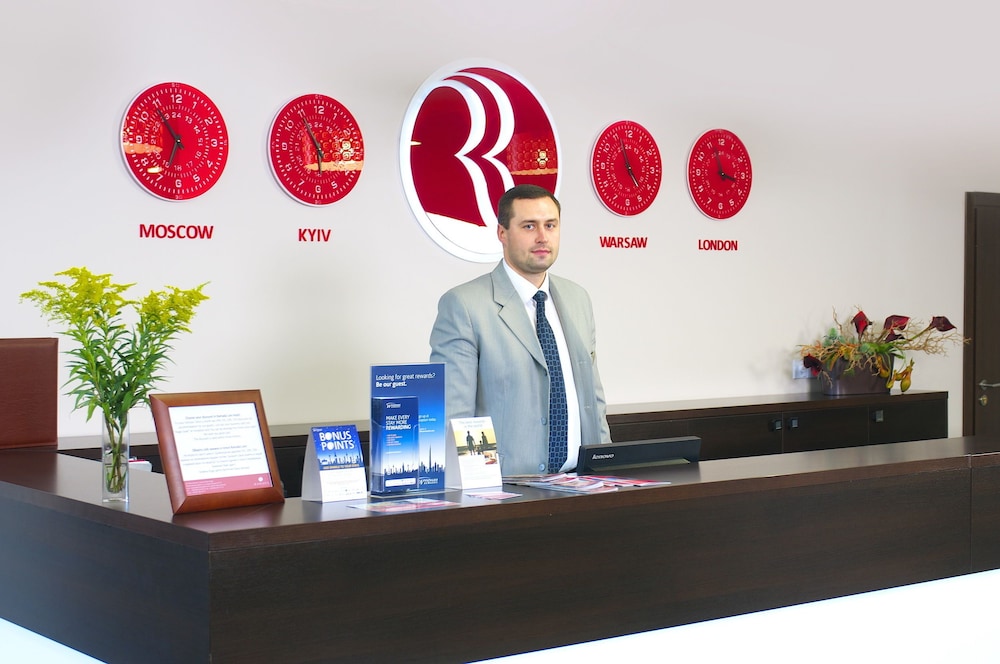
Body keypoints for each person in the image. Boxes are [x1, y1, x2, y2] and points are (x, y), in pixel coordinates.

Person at [429, 184, 611, 476]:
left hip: (581, 482)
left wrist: (606, 472)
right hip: (508, 487)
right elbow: (455, 415)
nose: (542, 237)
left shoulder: (578, 298)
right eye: (529, 226)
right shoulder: (464, 305)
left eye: (550, 225)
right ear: (502, 233)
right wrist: (478, 492)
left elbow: (594, 399)